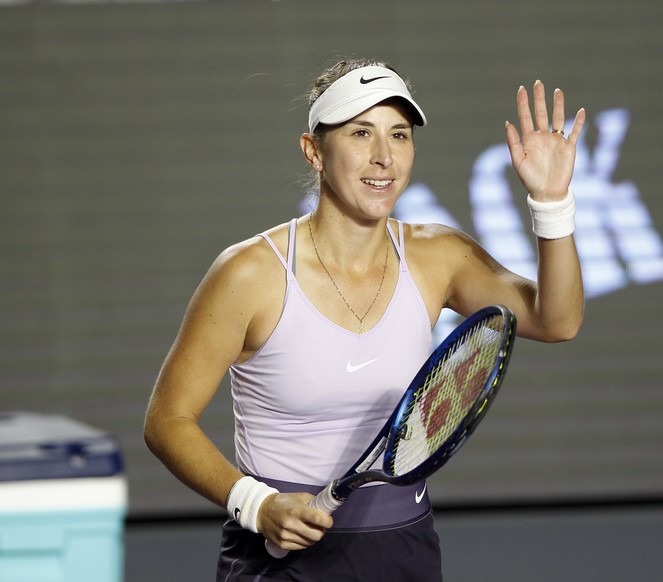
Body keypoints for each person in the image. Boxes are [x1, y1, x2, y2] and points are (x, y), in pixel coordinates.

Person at [144, 57, 586, 581]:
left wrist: (551, 201)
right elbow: (166, 421)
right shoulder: (249, 274)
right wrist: (256, 504)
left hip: (404, 549)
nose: (384, 158)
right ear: (315, 152)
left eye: (399, 135)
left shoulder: (437, 255)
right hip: (277, 557)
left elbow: (555, 320)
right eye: (361, 133)